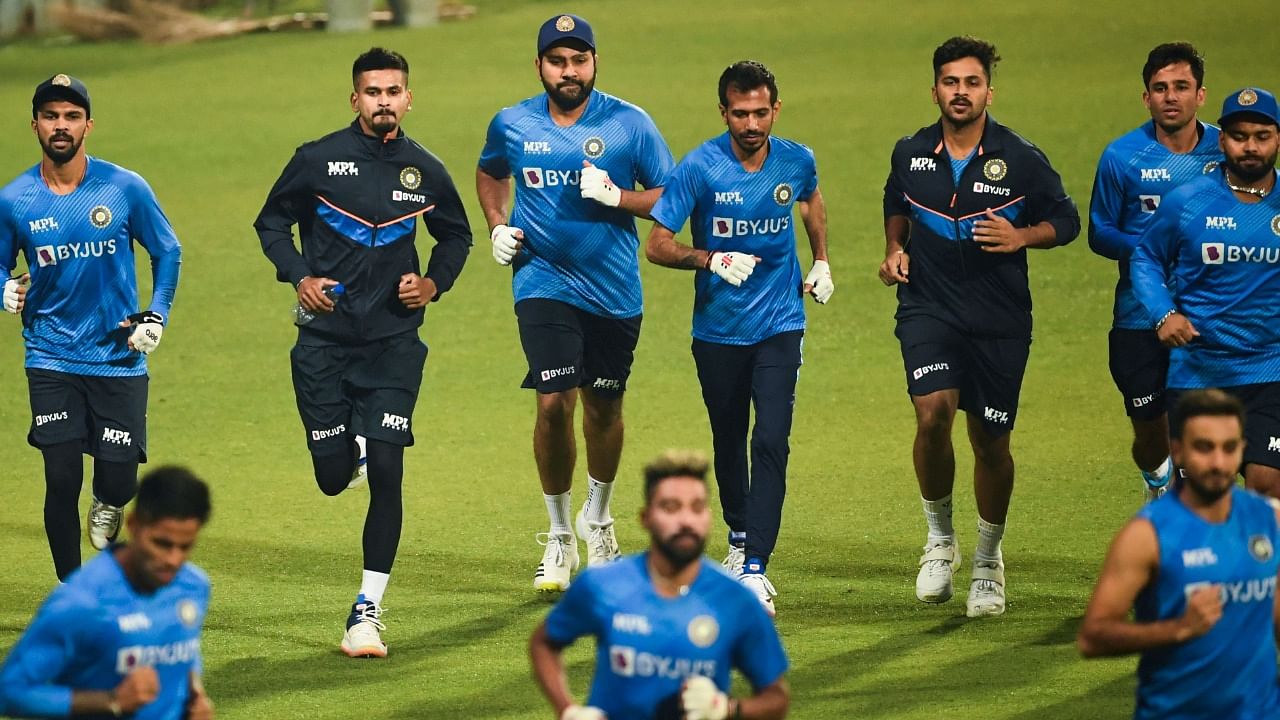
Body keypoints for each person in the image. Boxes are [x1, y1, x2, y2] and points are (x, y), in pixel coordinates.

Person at [254, 47, 472, 658]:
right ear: (355, 99)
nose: (383, 101)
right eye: (372, 91)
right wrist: (299, 274)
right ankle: (346, 447)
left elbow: (455, 234)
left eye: (394, 91)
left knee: (390, 466)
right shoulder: (316, 160)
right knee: (331, 479)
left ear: (408, 97)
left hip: (394, 344)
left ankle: (366, 611)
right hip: (323, 344)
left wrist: (433, 283)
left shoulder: (425, 170)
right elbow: (270, 223)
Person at [878, 36, 1080, 617]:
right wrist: (894, 246)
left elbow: (1064, 219)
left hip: (999, 321)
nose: (960, 92)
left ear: (989, 90)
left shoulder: (1020, 158)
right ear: (935, 87)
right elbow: (897, 198)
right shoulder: (911, 151)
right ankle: (940, 541)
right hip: (928, 310)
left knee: (991, 442)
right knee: (932, 414)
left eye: (971, 82)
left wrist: (1022, 236)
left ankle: (989, 559)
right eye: (950, 81)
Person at [476, 13, 674, 592]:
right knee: (553, 401)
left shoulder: (630, 124)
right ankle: (561, 535)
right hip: (542, 281)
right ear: (539, 65)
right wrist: (497, 223)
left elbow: (672, 192)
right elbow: (491, 173)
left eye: (579, 60)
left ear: (594, 63)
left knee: (603, 409)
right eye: (558, 61)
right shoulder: (512, 123)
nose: (569, 71)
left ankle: (600, 517)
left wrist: (619, 196)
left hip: (613, 290)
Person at [644, 60, 832, 617]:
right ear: (723, 111)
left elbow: (810, 200)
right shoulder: (699, 168)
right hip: (718, 332)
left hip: (780, 324)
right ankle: (738, 538)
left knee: (770, 438)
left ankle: (755, 567)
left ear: (776, 108)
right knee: (729, 439)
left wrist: (821, 259)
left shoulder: (797, 159)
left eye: (760, 112)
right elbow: (656, 244)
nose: (751, 123)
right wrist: (709, 258)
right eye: (740, 113)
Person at [0, 74, 182, 582]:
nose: (61, 126)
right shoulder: (14, 200)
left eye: (71, 116)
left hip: (118, 357)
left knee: (119, 480)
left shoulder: (123, 188)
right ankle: (71, 590)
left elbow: (167, 249)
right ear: (34, 124)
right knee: (60, 477)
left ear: (88, 125)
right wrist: (3, 289)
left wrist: (157, 313)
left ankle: (109, 499)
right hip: (50, 356)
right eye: (51, 116)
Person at [529, 450, 790, 720]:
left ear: (709, 518)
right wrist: (568, 710)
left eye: (697, 507)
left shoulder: (735, 600)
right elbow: (544, 643)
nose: (686, 521)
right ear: (645, 518)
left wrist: (728, 709)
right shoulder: (603, 585)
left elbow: (777, 698)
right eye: (671, 507)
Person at [1078, 389, 1280, 719]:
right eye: (1204, 447)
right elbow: (1093, 636)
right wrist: (1179, 629)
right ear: (1178, 451)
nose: (1218, 462)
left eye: (1229, 448)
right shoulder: (1146, 535)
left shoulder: (1269, 521)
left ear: (1242, 450)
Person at [1130, 87, 1280, 498]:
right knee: (1202, 494)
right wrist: (1164, 314)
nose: (1250, 147)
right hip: (1200, 370)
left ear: (1278, 139)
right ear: (1223, 139)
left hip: (1271, 370)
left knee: (1270, 485)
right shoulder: (1188, 201)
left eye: (1262, 136)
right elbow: (1145, 259)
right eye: (1239, 136)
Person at [1088, 42, 1222, 502]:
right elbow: (1099, 232)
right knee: (1149, 435)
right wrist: (1151, 250)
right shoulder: (1122, 157)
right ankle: (1157, 480)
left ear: (1200, 94)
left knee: (1195, 423)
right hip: (1137, 317)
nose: (1171, 97)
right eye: (1160, 88)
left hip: (1209, 314)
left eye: (1181, 87)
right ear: (1146, 97)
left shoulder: (1227, 153)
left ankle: (1186, 516)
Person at [0, 465, 214, 719]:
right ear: (133, 525)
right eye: (161, 543)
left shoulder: (193, 586)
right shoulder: (82, 602)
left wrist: (196, 694)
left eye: (185, 546)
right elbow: (10, 691)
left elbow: (183, 649)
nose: (173, 560)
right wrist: (111, 701)